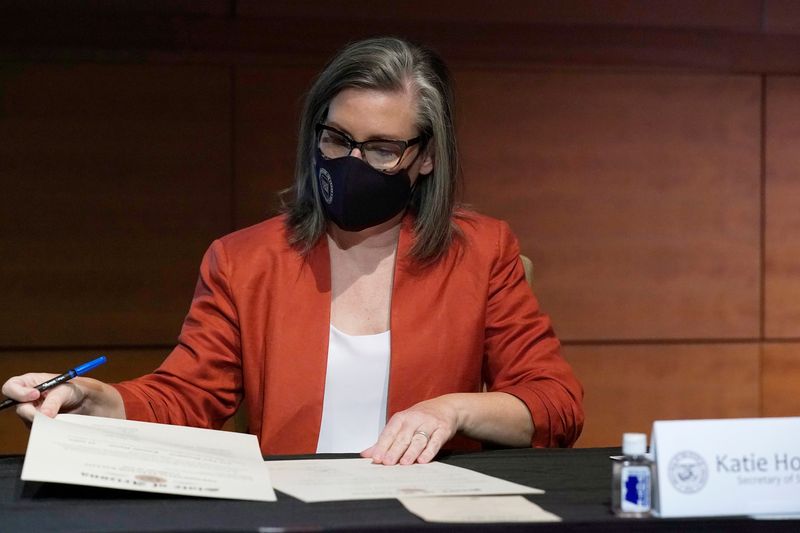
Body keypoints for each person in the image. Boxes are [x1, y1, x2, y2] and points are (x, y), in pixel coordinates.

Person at [2, 36, 584, 465]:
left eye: (382, 149)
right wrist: (91, 400)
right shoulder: (243, 260)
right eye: (336, 139)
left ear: (427, 156)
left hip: (425, 509)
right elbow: (187, 396)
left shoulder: (482, 252)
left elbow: (556, 403)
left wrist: (451, 409)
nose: (352, 163)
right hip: (288, 510)